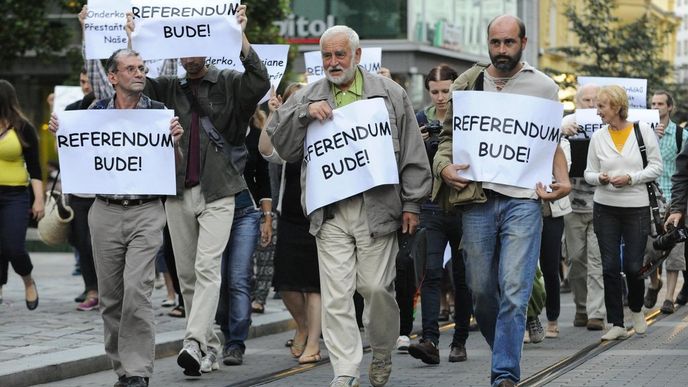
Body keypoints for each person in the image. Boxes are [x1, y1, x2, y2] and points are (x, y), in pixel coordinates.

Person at [267, 25, 431, 387]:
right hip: (330, 213)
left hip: (377, 209)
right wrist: (303, 113)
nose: (333, 62)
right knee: (337, 296)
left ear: (357, 56)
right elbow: (282, 146)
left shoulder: (390, 94)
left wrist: (413, 203)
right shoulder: (308, 95)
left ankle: (383, 349)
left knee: (374, 288)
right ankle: (345, 370)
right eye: (327, 55)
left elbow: (412, 153)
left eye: (340, 54)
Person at [127, 4, 270, 377]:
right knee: (188, 275)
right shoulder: (166, 88)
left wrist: (240, 34)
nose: (190, 56)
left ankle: (191, 340)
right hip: (176, 192)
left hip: (219, 190)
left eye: (197, 47)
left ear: (208, 46)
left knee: (208, 267)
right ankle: (209, 346)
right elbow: (134, 85)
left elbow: (259, 80)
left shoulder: (228, 83)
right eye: (183, 49)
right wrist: (133, 37)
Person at [433, 15, 571, 387]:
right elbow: (447, 139)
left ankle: (505, 373)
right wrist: (444, 167)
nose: (501, 51)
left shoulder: (542, 86)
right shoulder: (469, 83)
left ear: (523, 43)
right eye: (495, 43)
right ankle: (504, 351)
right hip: (477, 201)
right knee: (480, 290)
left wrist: (563, 180)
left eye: (509, 43)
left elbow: (549, 140)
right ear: (488, 43)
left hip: (523, 203)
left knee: (515, 289)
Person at [49, 48, 183, 387]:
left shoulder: (159, 114)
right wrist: (61, 136)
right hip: (105, 211)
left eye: (142, 68)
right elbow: (80, 154)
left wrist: (175, 144)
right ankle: (122, 368)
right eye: (130, 68)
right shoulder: (95, 113)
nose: (139, 73)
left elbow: (175, 168)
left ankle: (138, 371)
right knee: (111, 298)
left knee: (137, 292)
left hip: (147, 211)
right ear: (113, 77)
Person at [584, 85, 662, 341]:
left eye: (601, 107)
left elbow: (656, 168)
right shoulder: (598, 137)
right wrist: (600, 178)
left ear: (617, 106)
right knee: (608, 266)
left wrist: (630, 178)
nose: (597, 112)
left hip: (636, 207)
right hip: (605, 207)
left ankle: (637, 309)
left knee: (632, 265)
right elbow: (588, 173)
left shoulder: (642, 131)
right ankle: (616, 322)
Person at [406, 64, 473, 364]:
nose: (441, 97)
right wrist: (417, 145)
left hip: (462, 206)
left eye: (446, 90)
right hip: (430, 206)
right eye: (435, 92)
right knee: (431, 274)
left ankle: (459, 341)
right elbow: (407, 163)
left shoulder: (468, 116)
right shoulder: (420, 119)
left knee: (462, 277)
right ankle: (430, 339)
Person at [260, 82, 324, 364]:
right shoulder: (289, 140)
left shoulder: (323, 133)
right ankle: (303, 326)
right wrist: (274, 115)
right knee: (285, 283)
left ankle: (312, 342)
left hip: (318, 218)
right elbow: (265, 149)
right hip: (291, 219)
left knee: (314, 286)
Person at [215, 107, 273, 370]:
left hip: (246, 215)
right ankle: (224, 328)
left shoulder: (256, 136)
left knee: (238, 277)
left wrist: (267, 218)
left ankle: (236, 342)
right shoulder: (213, 132)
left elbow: (263, 178)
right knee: (218, 277)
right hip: (214, 212)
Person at [561, 83, 607, 330]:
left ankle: (596, 313)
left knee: (596, 260)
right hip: (572, 207)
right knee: (576, 259)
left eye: (595, 100)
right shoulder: (567, 123)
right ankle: (581, 307)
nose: (590, 105)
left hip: (600, 204)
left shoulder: (607, 125)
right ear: (578, 103)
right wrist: (562, 132)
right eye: (586, 100)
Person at [0, 79, 43, 310]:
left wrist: (39, 200)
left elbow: (35, 168)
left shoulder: (23, 127)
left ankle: (28, 280)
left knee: (13, 246)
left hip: (15, 196)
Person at [643, 91, 687, 314]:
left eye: (661, 103)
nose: (657, 107)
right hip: (650, 200)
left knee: (676, 250)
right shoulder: (643, 133)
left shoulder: (681, 135)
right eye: (653, 103)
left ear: (670, 107)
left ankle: (668, 297)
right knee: (651, 249)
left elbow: (683, 170)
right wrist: (652, 137)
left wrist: (680, 206)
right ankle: (654, 283)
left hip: (673, 199)